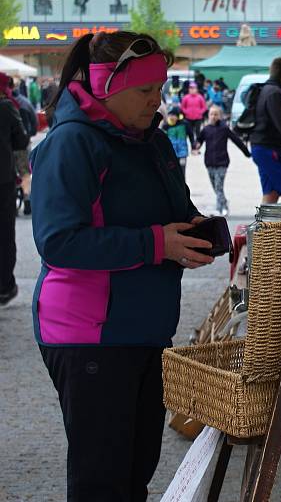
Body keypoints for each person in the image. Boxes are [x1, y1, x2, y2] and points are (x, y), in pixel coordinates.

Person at [30, 31, 213, 500]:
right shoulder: (71, 143)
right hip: (89, 335)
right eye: (145, 91)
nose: (158, 100)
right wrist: (157, 244)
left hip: (144, 330)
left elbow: (173, 214)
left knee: (135, 472)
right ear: (108, 87)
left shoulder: (151, 142)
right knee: (102, 480)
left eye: (160, 88)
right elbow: (59, 242)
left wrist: (195, 234)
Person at [250, 57, 281, 204]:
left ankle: (261, 227)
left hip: (258, 148)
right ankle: (280, 227)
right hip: (269, 149)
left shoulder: (263, 90)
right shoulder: (275, 93)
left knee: (271, 194)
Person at [0, 71, 29, 305]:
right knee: (4, 233)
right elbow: (21, 140)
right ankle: (4, 285)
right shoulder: (6, 107)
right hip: (3, 180)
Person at [196, 105, 250, 216]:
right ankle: (224, 203)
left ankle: (220, 209)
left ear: (220, 116)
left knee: (218, 186)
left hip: (222, 162)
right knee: (215, 186)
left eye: (216, 114)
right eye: (211, 114)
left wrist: (246, 152)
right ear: (208, 115)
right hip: (209, 163)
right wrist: (195, 147)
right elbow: (198, 141)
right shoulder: (206, 130)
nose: (213, 116)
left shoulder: (224, 129)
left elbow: (237, 140)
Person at [12, 87, 37, 215]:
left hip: (7, 147)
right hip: (22, 146)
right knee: (25, 174)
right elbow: (34, 121)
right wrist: (30, 134)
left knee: (11, 174)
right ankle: (27, 202)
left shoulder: (6, 103)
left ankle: (13, 204)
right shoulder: (24, 102)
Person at [161, 107, 195, 176]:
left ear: (178, 116)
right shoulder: (166, 126)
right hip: (171, 153)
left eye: (173, 115)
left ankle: (182, 185)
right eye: (170, 115)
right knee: (172, 172)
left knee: (182, 171)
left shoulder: (184, 124)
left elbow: (191, 135)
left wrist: (193, 146)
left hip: (182, 152)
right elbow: (162, 139)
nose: (171, 117)